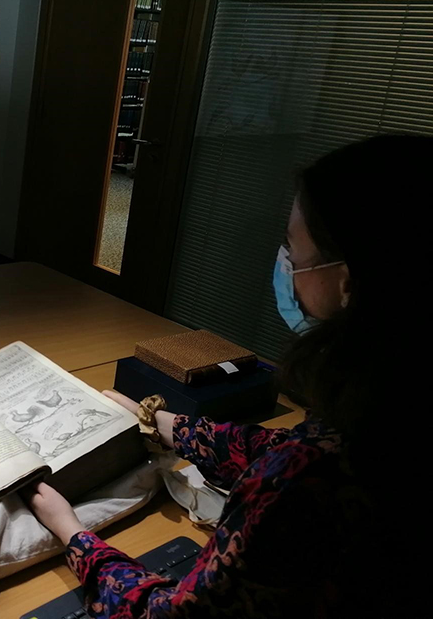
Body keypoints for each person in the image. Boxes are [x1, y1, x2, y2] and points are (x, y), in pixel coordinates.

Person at [25, 134, 430, 617]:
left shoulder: (304, 483)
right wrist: (162, 423)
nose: (287, 263)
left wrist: (72, 532)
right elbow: (281, 450)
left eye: (294, 249)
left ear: (346, 282)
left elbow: (169, 614)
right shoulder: (382, 406)